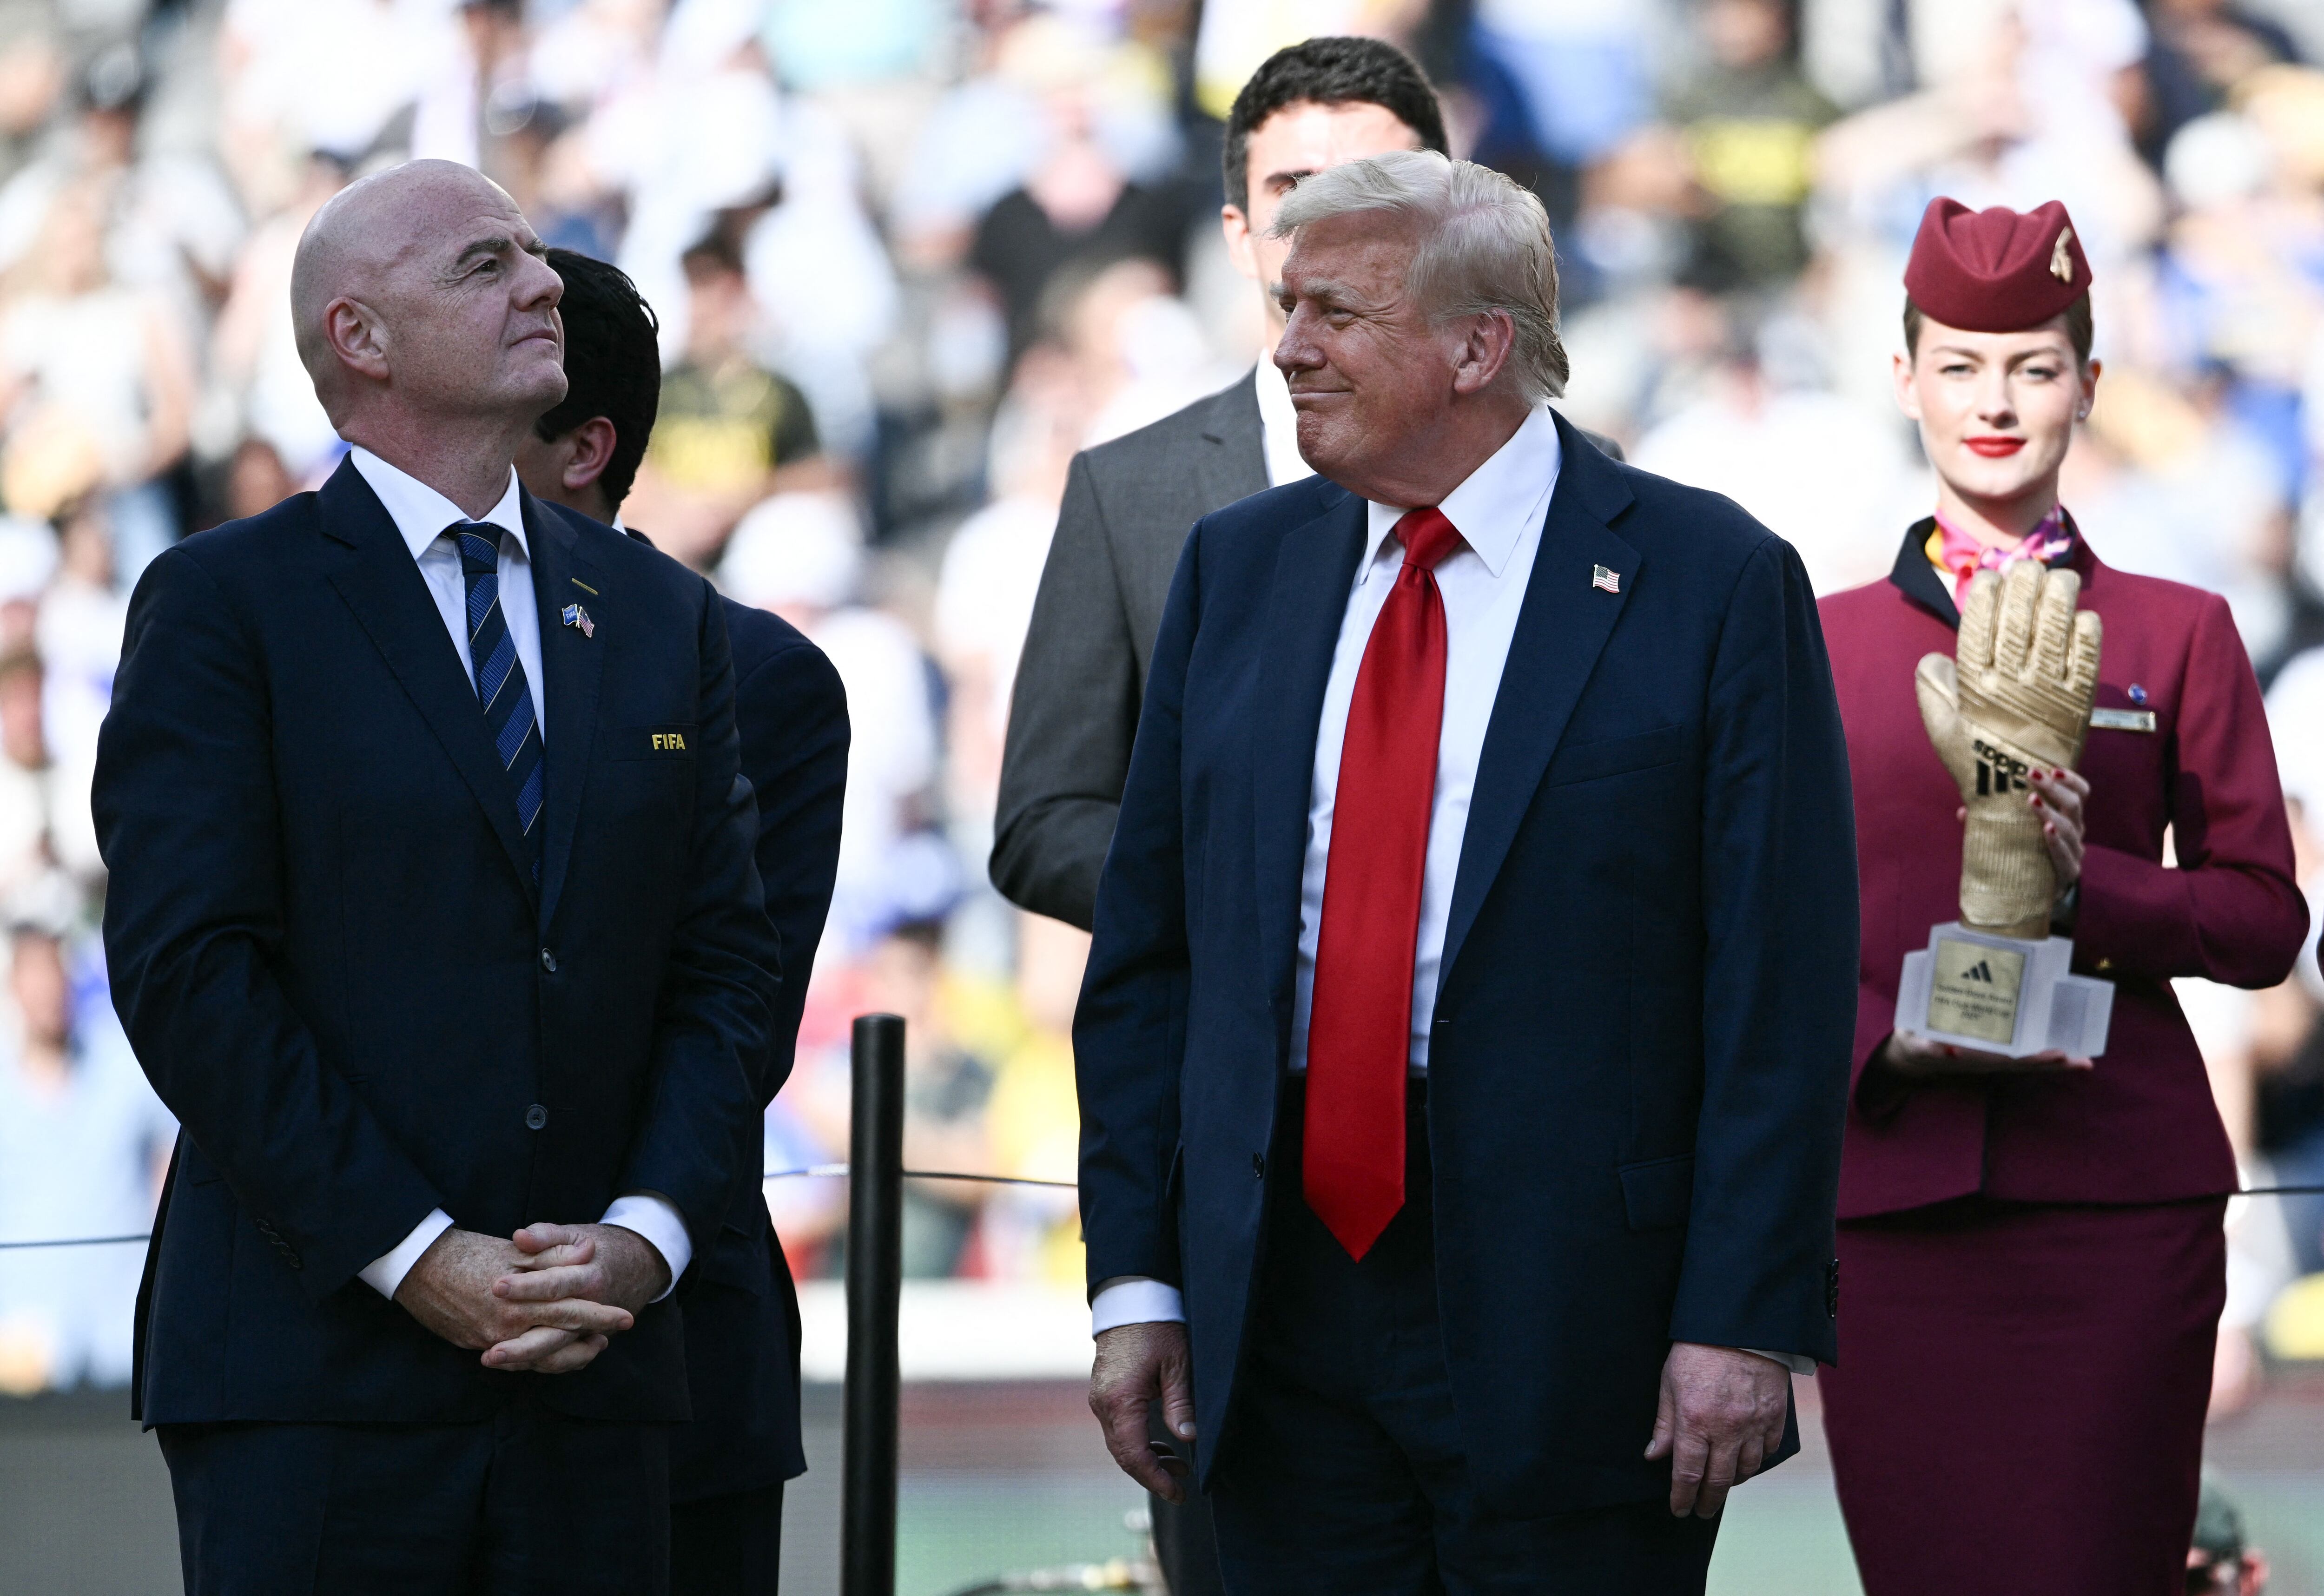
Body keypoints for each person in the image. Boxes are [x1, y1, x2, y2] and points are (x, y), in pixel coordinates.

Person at [1076, 149, 1855, 1592]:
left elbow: (1781, 983)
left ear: (1477, 346)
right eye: (1284, 307)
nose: (1289, 349)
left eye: (1333, 313)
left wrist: (1744, 1319)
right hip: (1277, 1297)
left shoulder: (1711, 579)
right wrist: (1137, 1280)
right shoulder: (1233, 569)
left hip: (1586, 1328)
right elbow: (1151, 957)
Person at [92, 160, 780, 1593]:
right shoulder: (228, 603)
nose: (544, 282)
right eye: (485, 264)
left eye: (534, 252)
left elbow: (726, 969)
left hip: (594, 1378)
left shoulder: (661, 617)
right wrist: (417, 1257)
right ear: (362, 337)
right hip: (314, 1382)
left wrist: (643, 1242)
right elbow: (189, 971)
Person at [1813, 198, 2309, 1595]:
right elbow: (1748, 936)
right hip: (1899, 1208)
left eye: (2035, 365)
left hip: (2114, 1205)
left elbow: (2266, 921)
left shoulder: (2178, 629)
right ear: (1902, 373)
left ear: (2092, 384)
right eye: (1960, 364)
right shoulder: (1813, 639)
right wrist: (1883, 1049)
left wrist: (2085, 884)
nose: (1997, 400)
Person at [516, 245, 849, 1595]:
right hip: (379, 1354)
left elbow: (731, 1011)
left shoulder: (753, 674)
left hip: (658, 1338)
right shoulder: (304, 632)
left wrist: (593, 1253)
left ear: (586, 446)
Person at [991, 36, 1447, 938]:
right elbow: (1043, 823)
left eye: (1373, 179)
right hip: (1229, 1049)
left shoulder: (1567, 481)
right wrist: (1243, 895)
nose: (1332, 213)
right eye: (1293, 187)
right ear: (1240, 236)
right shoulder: (1129, 493)